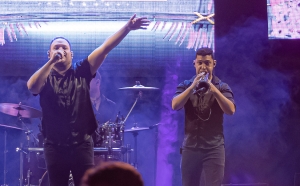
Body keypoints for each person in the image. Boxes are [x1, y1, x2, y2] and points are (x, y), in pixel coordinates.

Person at [27, 14, 149, 186]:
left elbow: (105, 48)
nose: (60, 50)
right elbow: (32, 87)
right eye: (56, 48)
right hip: (54, 145)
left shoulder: (81, 70)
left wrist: (127, 28)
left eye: (64, 48)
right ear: (49, 54)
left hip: (81, 144)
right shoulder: (45, 77)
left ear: (71, 54)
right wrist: (51, 62)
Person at [171, 47, 235, 186]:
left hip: (214, 148)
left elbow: (231, 110)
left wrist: (213, 89)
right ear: (194, 63)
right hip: (190, 147)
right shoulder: (186, 85)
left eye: (207, 63)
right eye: (200, 63)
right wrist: (192, 87)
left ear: (214, 64)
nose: (203, 67)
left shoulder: (222, 86)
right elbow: (175, 105)